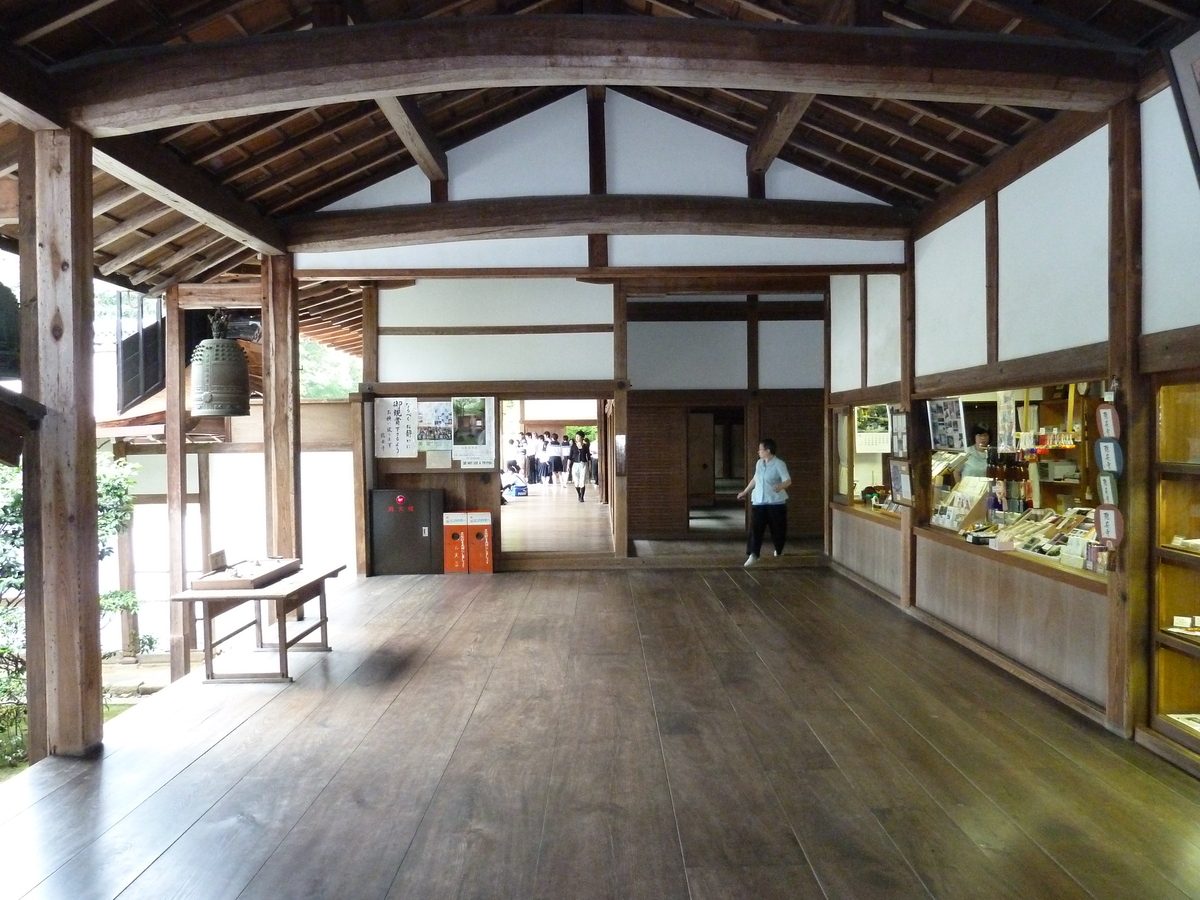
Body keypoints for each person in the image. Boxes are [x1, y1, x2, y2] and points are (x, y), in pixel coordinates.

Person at [736, 438, 792, 567]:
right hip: (759, 501)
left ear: (768, 450)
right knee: (755, 529)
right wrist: (745, 492)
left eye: (760, 449)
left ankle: (779, 549)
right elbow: (755, 479)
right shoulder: (759, 463)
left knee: (778, 530)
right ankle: (754, 554)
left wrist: (780, 486)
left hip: (776, 503)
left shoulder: (779, 464)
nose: (759, 452)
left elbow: (788, 481)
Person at [569, 431, 591, 502]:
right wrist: (568, 466)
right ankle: (579, 494)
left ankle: (582, 497)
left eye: (578, 436)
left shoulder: (586, 446)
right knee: (576, 481)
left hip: (583, 464)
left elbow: (588, 456)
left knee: (582, 480)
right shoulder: (573, 446)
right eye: (576, 436)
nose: (577, 438)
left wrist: (589, 465)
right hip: (575, 464)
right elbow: (570, 457)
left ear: (582, 437)